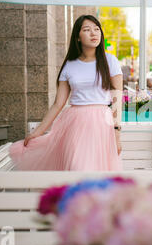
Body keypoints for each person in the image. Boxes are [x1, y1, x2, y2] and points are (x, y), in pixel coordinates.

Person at [9, 15, 123, 171]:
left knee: (98, 172)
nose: (94, 33)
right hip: (74, 123)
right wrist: (38, 132)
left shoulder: (110, 60)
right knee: (77, 168)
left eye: (97, 29)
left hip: (102, 123)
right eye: (87, 30)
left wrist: (116, 133)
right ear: (77, 37)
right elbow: (58, 104)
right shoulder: (69, 65)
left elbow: (117, 97)